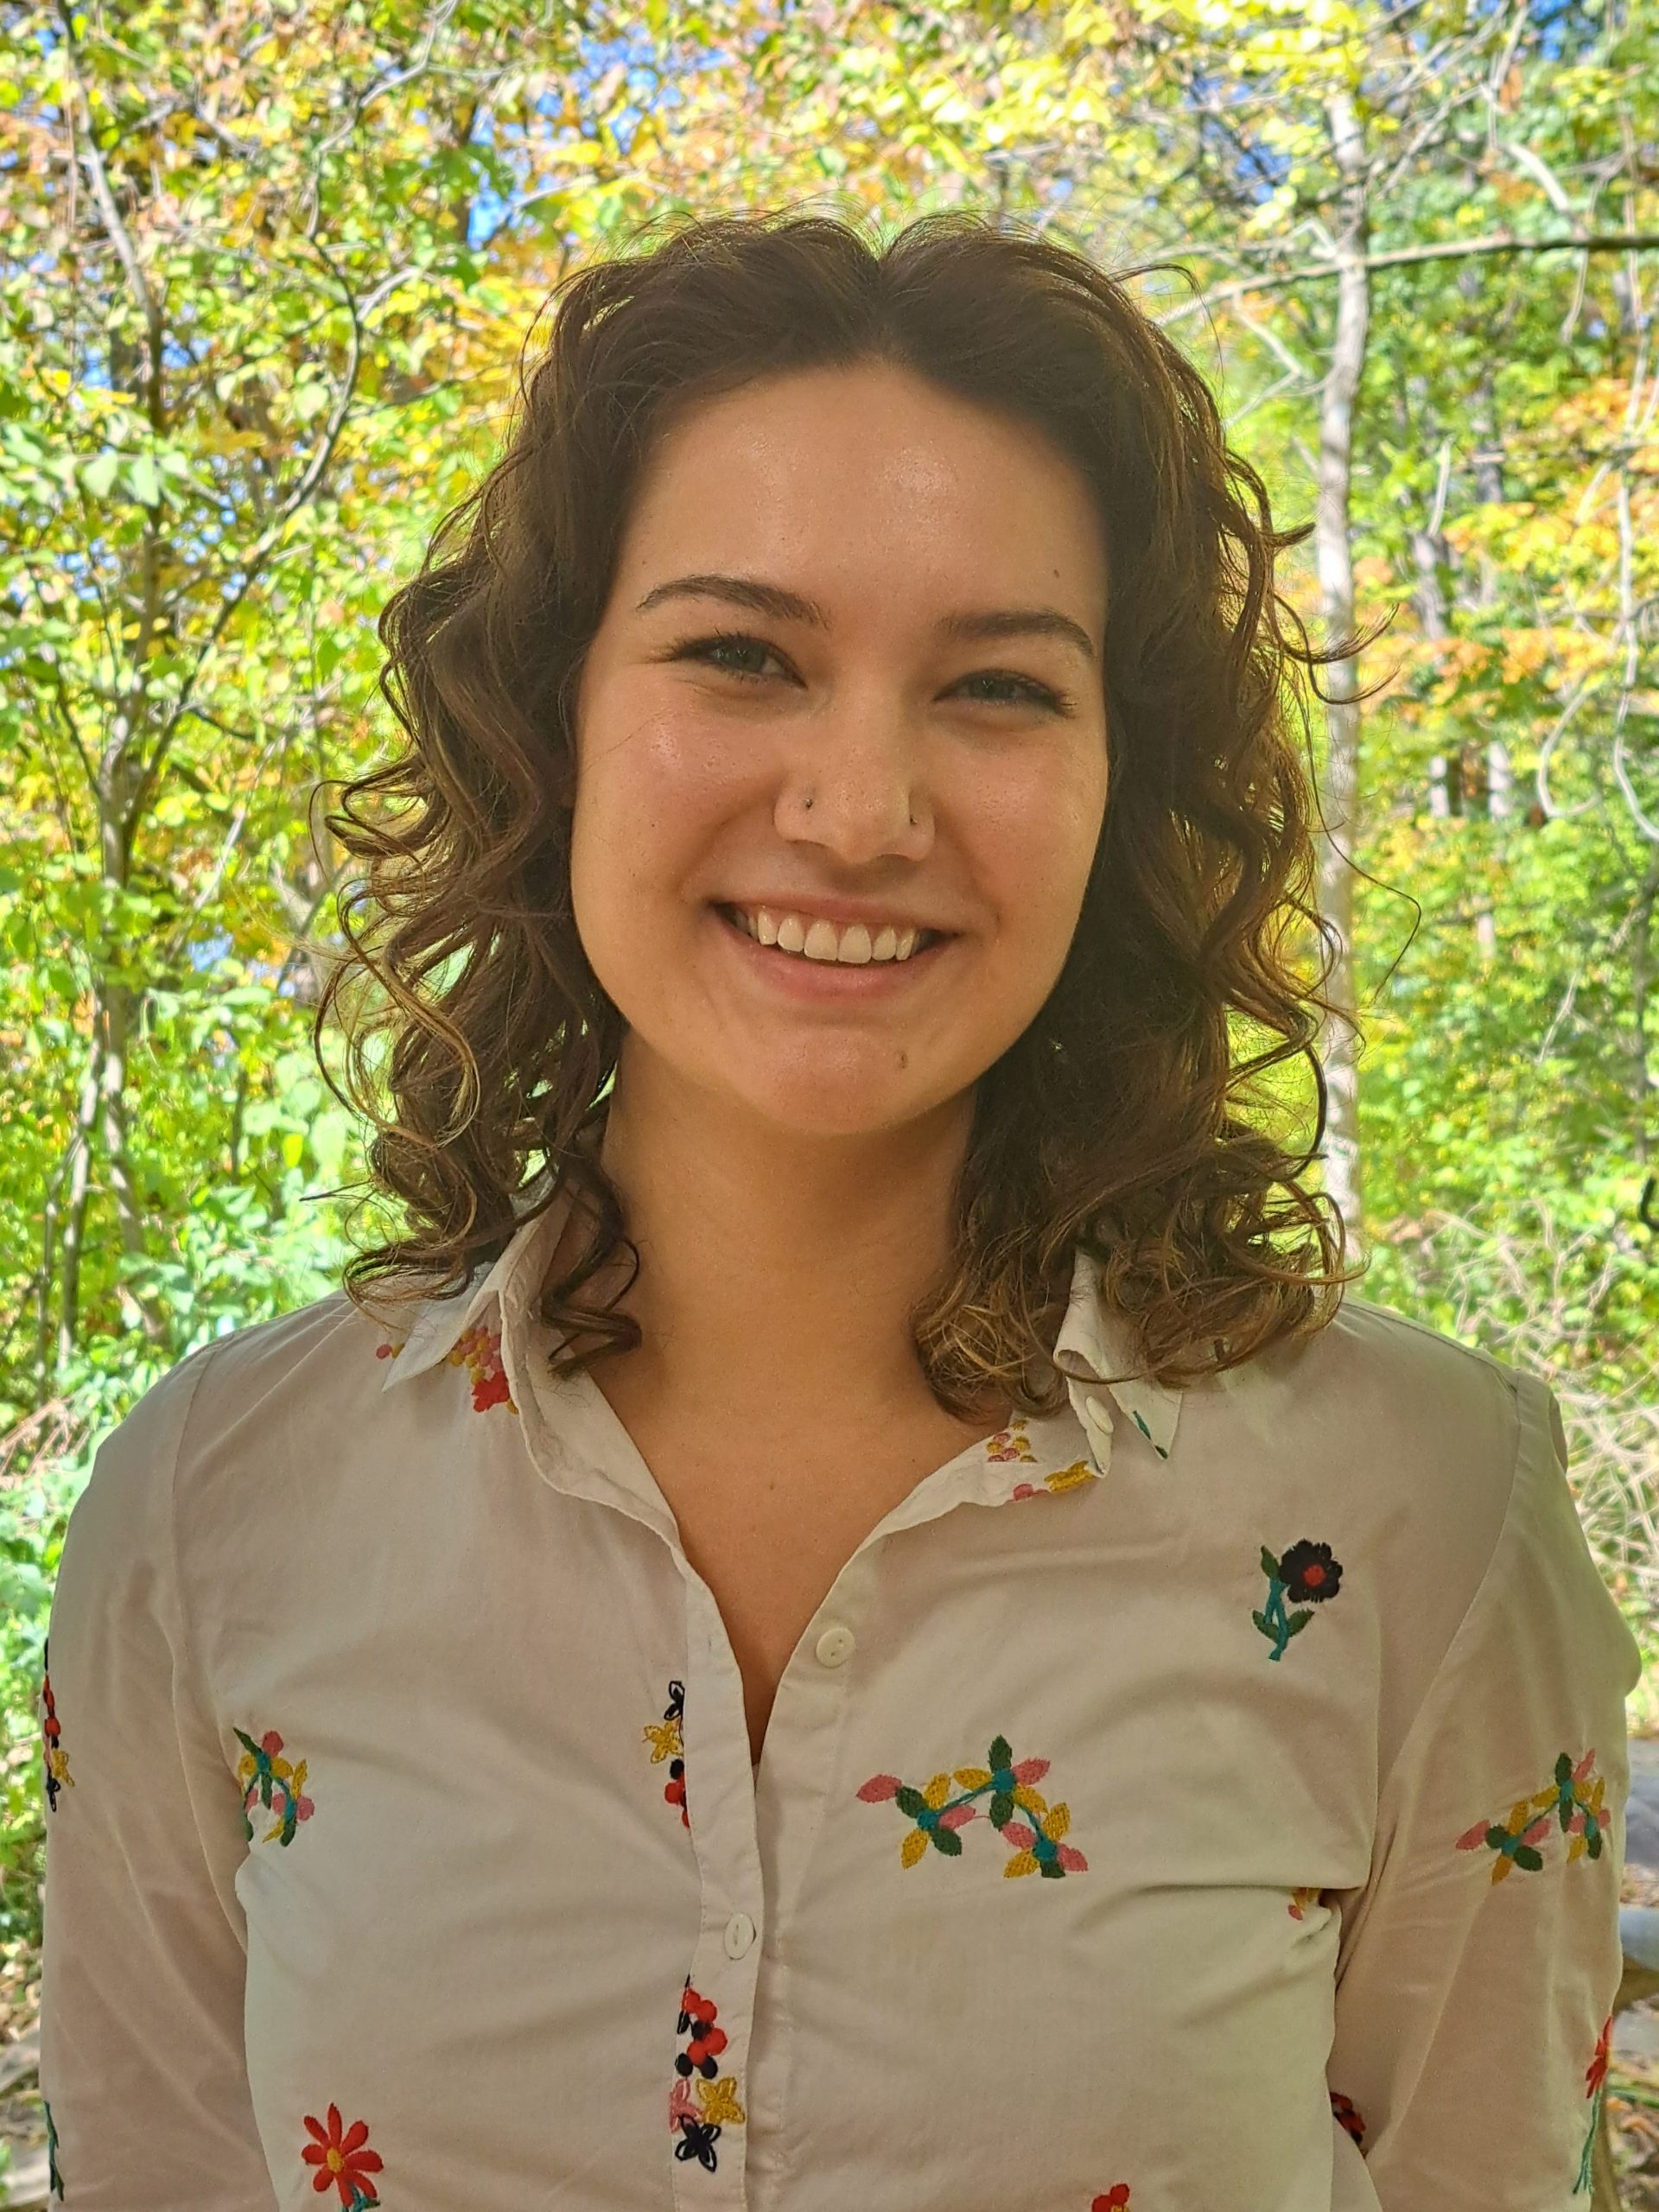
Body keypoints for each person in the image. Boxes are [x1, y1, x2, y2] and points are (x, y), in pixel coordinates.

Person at [37, 207, 1640, 2212]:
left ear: (1119, 786)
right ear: (555, 721)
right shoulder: (215, 1510)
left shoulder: (1425, 1514)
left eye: (997, 687)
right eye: (741, 653)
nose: (862, 807)